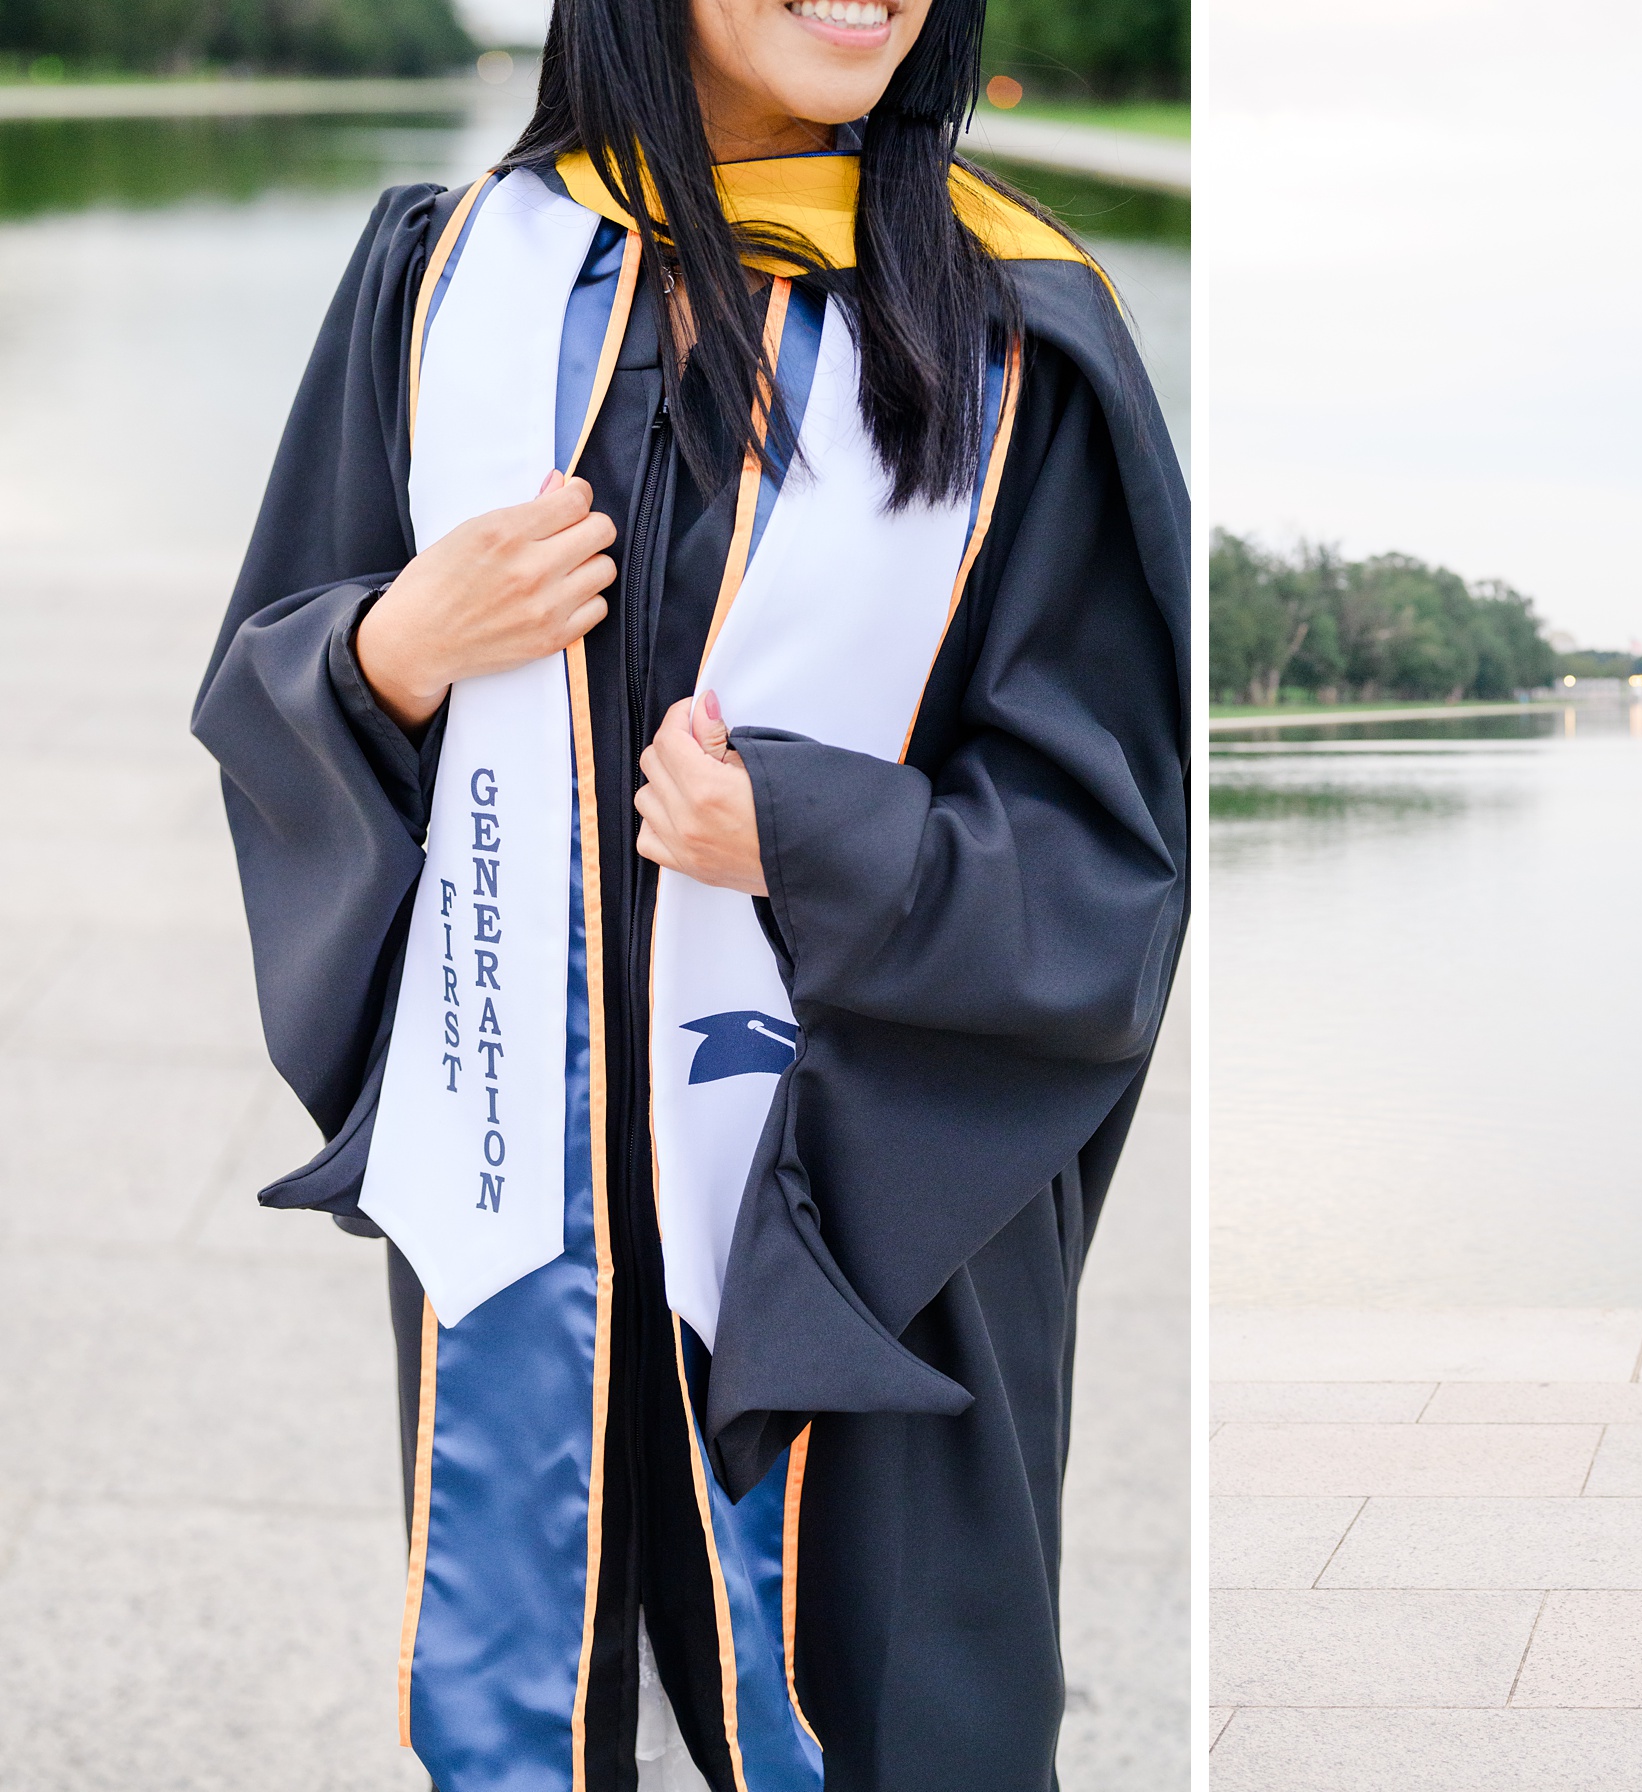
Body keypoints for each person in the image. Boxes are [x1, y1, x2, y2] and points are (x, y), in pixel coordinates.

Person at [189, 0, 1188, 1783]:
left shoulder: (1016, 332)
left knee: (893, 1720)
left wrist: (810, 841)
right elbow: (271, 671)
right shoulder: (449, 283)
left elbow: (1105, 864)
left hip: (854, 1231)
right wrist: (386, 652)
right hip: (529, 1183)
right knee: (535, 1694)